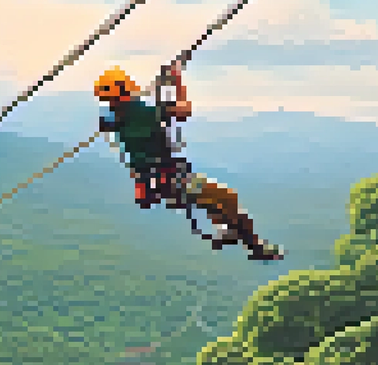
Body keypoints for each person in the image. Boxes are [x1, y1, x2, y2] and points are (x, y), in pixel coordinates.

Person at [95, 65, 283, 261]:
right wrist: (177, 81)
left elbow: (112, 120)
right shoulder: (143, 113)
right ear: (126, 90)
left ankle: (227, 231)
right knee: (227, 198)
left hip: (155, 183)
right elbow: (184, 110)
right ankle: (255, 247)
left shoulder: (115, 118)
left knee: (212, 202)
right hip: (174, 179)